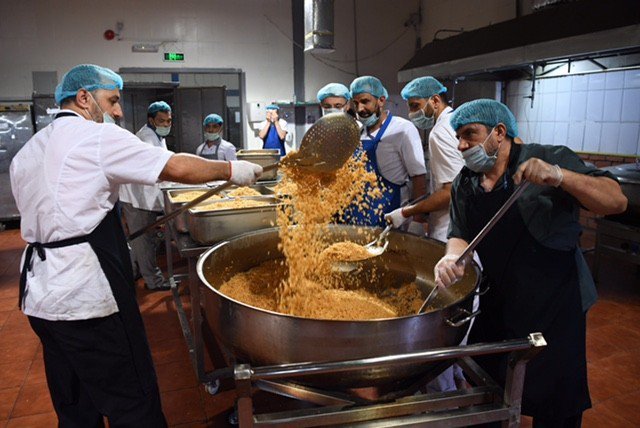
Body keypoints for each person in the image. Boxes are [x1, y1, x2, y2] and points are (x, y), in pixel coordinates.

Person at [10, 64, 262, 427]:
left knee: (75, 402)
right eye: (112, 100)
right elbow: (173, 166)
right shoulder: (95, 137)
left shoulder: (32, 148)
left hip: (39, 295)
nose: (118, 111)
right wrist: (231, 171)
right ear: (84, 98)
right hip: (84, 298)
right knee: (132, 400)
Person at [433, 99, 627, 426]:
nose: (461, 145)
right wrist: (453, 255)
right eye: (458, 137)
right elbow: (459, 232)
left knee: (556, 404)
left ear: (499, 132)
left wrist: (560, 176)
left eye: (469, 134)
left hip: (556, 305)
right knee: (488, 394)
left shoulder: (549, 158)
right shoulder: (465, 182)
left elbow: (616, 200)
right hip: (498, 301)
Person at [385, 76, 464, 242]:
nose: (411, 113)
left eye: (415, 106)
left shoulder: (440, 132)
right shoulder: (456, 122)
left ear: (435, 100)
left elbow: (450, 192)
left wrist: (406, 212)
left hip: (447, 229)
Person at [346, 75, 427, 227]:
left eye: (365, 101)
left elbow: (419, 179)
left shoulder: (403, 129)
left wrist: (418, 219)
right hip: (358, 219)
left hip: (391, 220)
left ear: (381, 100)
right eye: (356, 103)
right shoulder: (356, 132)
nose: (360, 109)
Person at [119, 101, 173, 291]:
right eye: (161, 121)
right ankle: (154, 281)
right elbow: (160, 168)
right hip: (136, 199)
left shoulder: (156, 135)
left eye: (168, 121)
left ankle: (134, 271)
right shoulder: (146, 138)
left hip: (142, 196)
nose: (166, 125)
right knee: (144, 242)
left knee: (139, 240)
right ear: (150, 120)